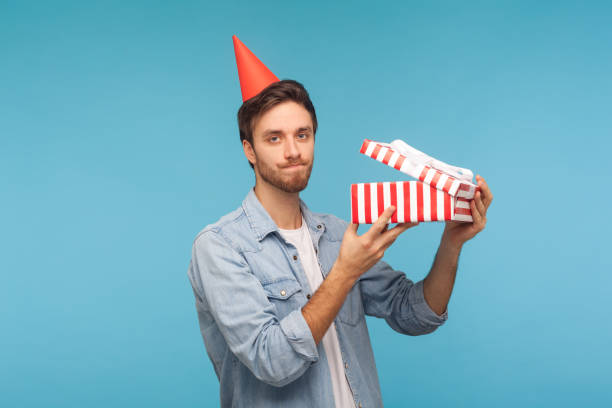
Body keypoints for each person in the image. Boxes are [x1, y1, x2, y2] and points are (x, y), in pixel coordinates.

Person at [187, 36, 493, 408]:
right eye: (274, 138)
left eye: (303, 134)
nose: (293, 151)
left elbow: (414, 314)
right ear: (249, 150)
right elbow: (272, 361)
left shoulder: (334, 234)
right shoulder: (219, 246)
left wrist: (451, 243)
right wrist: (345, 273)